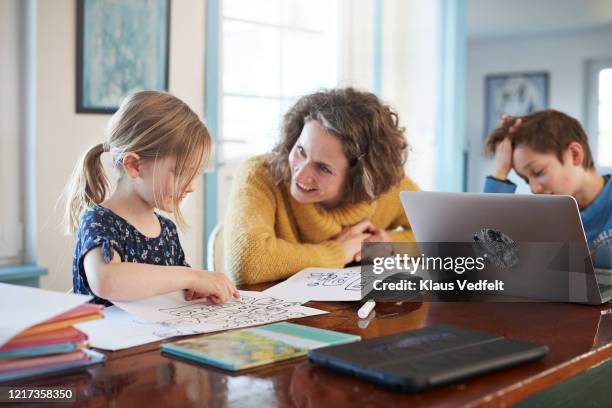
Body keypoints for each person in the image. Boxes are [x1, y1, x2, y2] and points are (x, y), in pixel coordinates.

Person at [224, 88, 420, 285]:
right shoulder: (260, 173)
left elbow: (444, 240)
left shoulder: (387, 187)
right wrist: (338, 252)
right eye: (300, 150)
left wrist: (390, 245)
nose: (299, 174)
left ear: (360, 178)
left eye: (322, 168)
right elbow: (246, 262)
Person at [65, 91, 239, 306]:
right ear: (134, 165)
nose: (192, 186)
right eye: (181, 173)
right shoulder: (99, 221)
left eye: (194, 175)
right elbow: (107, 281)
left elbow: (177, 289)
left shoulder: (167, 230)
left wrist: (198, 288)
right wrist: (193, 276)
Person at [483, 109, 611, 269]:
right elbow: (492, 259)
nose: (534, 189)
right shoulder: (545, 213)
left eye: (538, 172)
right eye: (525, 179)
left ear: (574, 154)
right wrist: (499, 173)